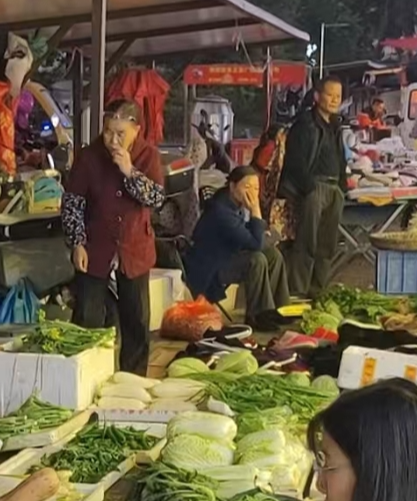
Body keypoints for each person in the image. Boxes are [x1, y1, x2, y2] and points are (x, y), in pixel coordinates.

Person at [64, 99, 164, 375]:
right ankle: (84, 376)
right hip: (95, 243)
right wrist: (77, 242)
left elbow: (156, 199)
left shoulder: (149, 155)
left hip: (134, 244)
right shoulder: (89, 156)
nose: (113, 140)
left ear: (137, 130)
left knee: (137, 317)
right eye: (108, 131)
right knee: (88, 315)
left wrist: (130, 171)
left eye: (121, 133)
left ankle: (133, 378)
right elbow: (73, 202)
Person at [183, 166, 290, 331]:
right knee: (256, 259)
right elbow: (255, 244)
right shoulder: (220, 210)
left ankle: (280, 309)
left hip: (228, 256)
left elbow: (252, 238)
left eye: (256, 188)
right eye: (247, 187)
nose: (253, 193)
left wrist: (263, 235)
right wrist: (256, 210)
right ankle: (258, 316)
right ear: (232, 186)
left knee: (273, 255)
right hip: (211, 270)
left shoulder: (234, 204)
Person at [280, 76, 346, 299]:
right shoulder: (305, 124)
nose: (334, 100)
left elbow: (340, 158)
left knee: (327, 244)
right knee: (307, 242)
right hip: (314, 187)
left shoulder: (336, 125)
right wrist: (309, 188)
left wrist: (342, 188)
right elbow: (295, 161)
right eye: (330, 95)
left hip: (334, 187)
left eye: (338, 96)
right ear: (317, 96)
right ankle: (297, 293)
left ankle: (318, 291)